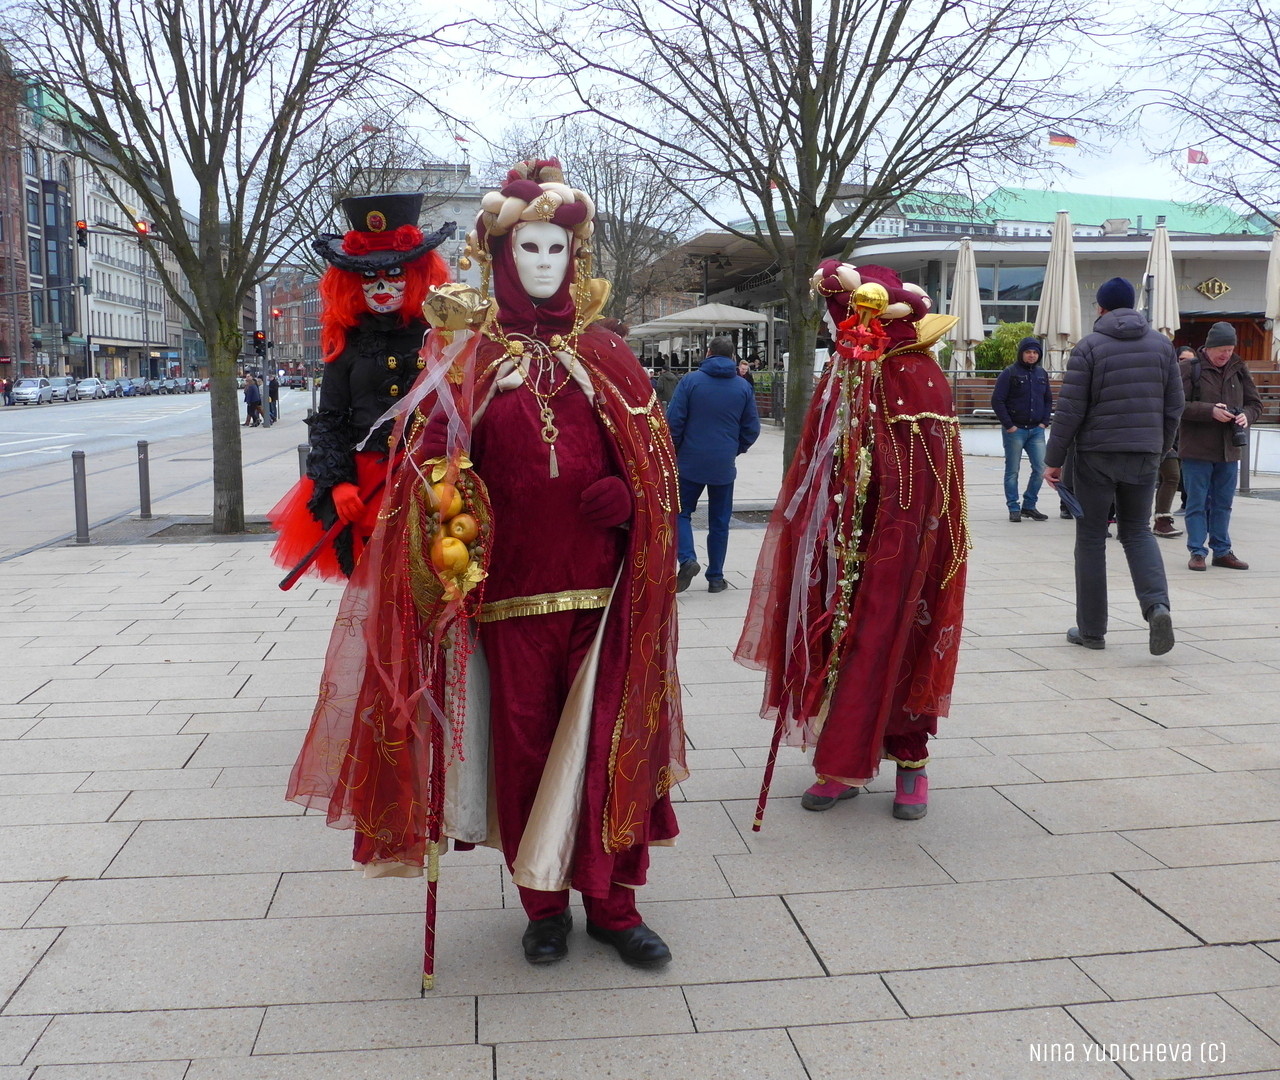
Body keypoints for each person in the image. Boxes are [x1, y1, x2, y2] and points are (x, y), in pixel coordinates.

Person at [287, 158, 686, 972]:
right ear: (502, 258)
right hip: (507, 600)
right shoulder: (464, 358)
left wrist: (631, 494)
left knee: (611, 746)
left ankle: (614, 903)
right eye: (529, 249)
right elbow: (426, 466)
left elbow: (656, 461)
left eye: (557, 250)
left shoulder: (608, 355)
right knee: (526, 751)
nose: (545, 263)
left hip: (603, 595)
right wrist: (444, 494)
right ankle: (543, 906)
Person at [736, 261, 970, 822]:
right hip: (837, 542)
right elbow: (816, 459)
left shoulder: (916, 374)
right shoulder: (840, 373)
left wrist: (889, 521)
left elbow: (928, 478)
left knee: (899, 649)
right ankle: (840, 761)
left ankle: (911, 763)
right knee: (834, 648)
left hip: (904, 546)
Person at [267, 192, 453, 579]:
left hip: (436, 482)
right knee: (376, 594)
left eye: (394, 273)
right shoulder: (348, 340)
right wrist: (337, 483)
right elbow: (331, 418)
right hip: (367, 487)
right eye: (369, 275)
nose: (381, 285)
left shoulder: (444, 336)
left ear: (418, 274)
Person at [1043, 277, 1183, 655]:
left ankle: (1092, 631)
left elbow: (1070, 411)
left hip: (1096, 455)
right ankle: (1157, 607)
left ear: (1101, 308)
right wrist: (1160, 446)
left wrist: (1053, 461)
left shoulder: (1088, 347)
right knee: (1137, 531)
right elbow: (1174, 406)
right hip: (1144, 454)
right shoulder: (1162, 346)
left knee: (1090, 538)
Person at [667, 336, 760, 593]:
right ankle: (716, 578)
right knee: (719, 521)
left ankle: (687, 558)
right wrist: (735, 448)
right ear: (732, 357)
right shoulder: (742, 387)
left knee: (680, 512)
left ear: (708, 353)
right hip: (723, 464)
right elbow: (752, 428)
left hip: (689, 461)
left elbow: (674, 420)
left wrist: (676, 449)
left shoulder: (690, 381)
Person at [1178, 321, 1260, 571]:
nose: (1226, 354)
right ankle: (1197, 551)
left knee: (1223, 503)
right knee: (1197, 503)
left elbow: (1255, 404)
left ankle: (1222, 551)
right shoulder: (1189, 368)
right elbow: (1175, 404)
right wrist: (1209, 411)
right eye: (1222, 349)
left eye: (1230, 348)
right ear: (1210, 347)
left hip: (1229, 450)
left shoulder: (1238, 368)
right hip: (1197, 449)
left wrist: (1246, 415)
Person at [991, 336, 1052, 522]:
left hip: (1036, 430)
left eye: (1035, 352)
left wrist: (1044, 422)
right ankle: (1013, 507)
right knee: (1012, 471)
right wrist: (1009, 426)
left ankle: (1029, 505)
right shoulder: (1009, 373)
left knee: (1041, 469)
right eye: (1028, 352)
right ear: (1021, 354)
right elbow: (997, 400)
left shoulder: (1042, 374)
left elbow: (1048, 399)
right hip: (1015, 431)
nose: (1032, 355)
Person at [1153, 345, 1197, 538]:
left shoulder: (1193, 381)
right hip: (1158, 435)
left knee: (1169, 477)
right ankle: (1153, 520)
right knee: (1168, 476)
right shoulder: (1163, 378)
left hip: (1178, 438)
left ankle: (1161, 520)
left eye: (1190, 360)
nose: (1186, 364)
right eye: (1182, 360)